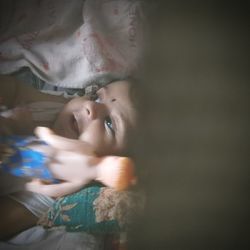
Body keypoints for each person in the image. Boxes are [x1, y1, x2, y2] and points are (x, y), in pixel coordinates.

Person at [0, 74, 138, 240]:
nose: (90, 106)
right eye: (97, 97)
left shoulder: (54, 195)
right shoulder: (58, 106)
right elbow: (15, 89)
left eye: (109, 123)